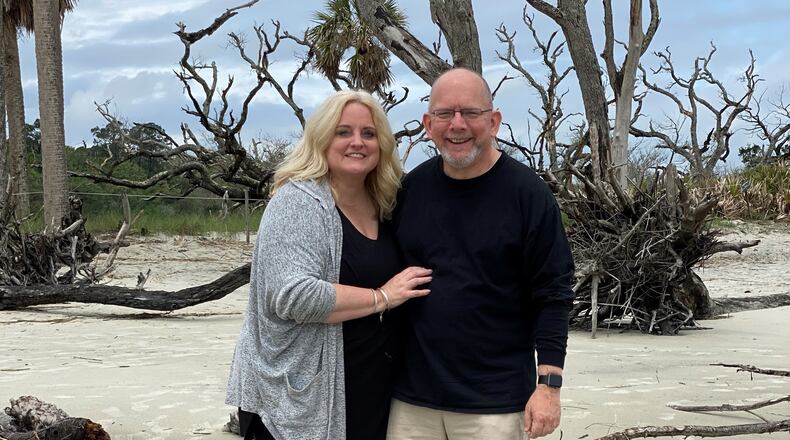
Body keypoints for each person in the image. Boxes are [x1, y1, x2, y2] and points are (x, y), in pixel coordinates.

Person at [225, 89, 432, 440]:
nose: (358, 142)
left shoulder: (385, 203)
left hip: (369, 390)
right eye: (343, 132)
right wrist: (383, 296)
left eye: (369, 133)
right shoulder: (299, 201)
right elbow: (293, 296)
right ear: (321, 139)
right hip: (300, 399)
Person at [389, 68, 575, 439]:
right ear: (428, 124)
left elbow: (553, 292)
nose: (457, 124)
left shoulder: (528, 194)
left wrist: (549, 386)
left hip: (496, 404)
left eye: (471, 113)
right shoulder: (411, 189)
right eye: (445, 113)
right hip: (411, 400)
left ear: (494, 121)